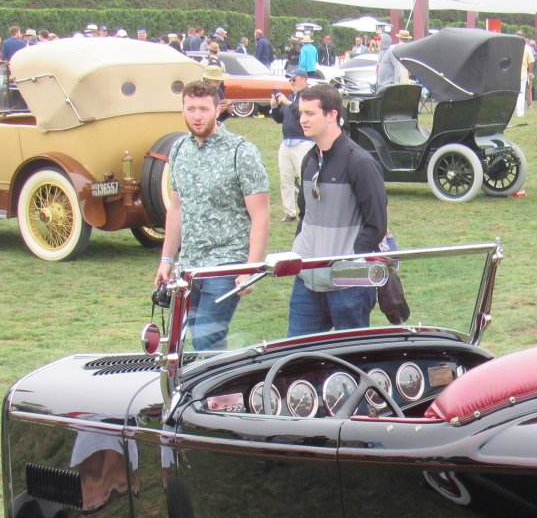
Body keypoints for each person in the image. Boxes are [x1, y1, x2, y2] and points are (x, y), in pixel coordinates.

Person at [153, 80, 270, 350]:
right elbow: (177, 208)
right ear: (182, 110)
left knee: (207, 341)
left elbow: (261, 217)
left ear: (218, 109)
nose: (197, 116)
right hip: (190, 264)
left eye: (204, 109)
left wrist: (251, 268)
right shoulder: (179, 149)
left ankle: (220, 393)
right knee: (186, 343)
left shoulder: (241, 152)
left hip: (226, 262)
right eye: (191, 108)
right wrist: (167, 260)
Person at [288, 82, 388, 335]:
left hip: (349, 283)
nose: (303, 119)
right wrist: (301, 249)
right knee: (295, 357)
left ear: (332, 114)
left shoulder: (360, 162)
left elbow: (376, 224)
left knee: (352, 358)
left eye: (310, 113)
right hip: (307, 278)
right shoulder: (310, 160)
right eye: (301, 113)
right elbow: (305, 215)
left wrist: (348, 260)